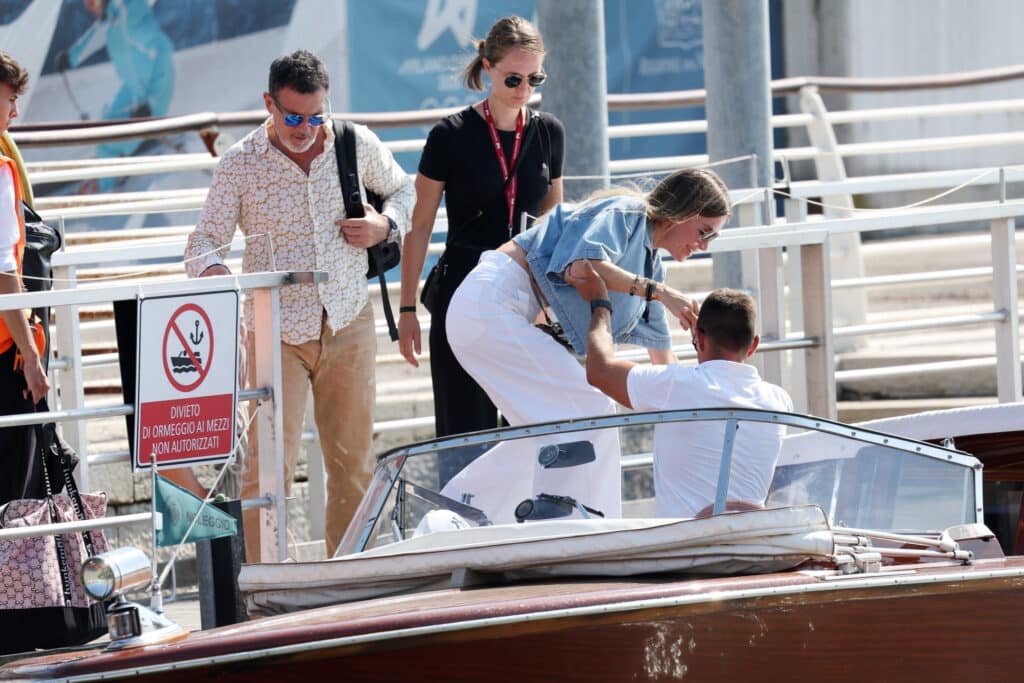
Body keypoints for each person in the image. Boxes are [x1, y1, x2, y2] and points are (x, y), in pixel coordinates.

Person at [184, 50, 414, 560]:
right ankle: (267, 585)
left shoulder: (354, 141)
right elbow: (202, 244)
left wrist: (386, 225)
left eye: (316, 116)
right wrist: (222, 277)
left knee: (353, 462)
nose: (305, 128)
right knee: (266, 467)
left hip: (349, 317)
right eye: (292, 117)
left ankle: (350, 582)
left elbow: (405, 190)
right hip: (272, 329)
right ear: (268, 103)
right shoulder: (240, 164)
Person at [444, 168, 731, 517]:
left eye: (712, 239)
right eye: (704, 232)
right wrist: (662, 294)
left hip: (499, 312)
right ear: (680, 213)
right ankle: (576, 525)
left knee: (553, 426)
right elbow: (582, 266)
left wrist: (702, 408)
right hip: (490, 302)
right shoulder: (626, 212)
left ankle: (463, 507)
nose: (703, 245)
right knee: (588, 411)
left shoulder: (652, 269)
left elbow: (663, 360)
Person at [397, 15, 565, 441]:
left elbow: (554, 225)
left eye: (535, 78)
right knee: (462, 433)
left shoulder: (549, 133)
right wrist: (407, 310)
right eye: (514, 79)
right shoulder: (449, 135)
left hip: (524, 297)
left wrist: (552, 304)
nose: (525, 90)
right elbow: (419, 228)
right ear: (487, 68)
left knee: (527, 432)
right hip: (463, 295)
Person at [566, 262, 794, 518]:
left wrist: (600, 304)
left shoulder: (675, 386)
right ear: (753, 346)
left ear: (701, 338)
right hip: (748, 542)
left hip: (686, 548)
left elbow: (599, 371)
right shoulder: (779, 401)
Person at [54, 0, 175, 191]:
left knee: (113, 134)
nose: (90, 8)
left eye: (93, 2)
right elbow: (93, 37)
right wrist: (71, 57)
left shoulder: (130, 13)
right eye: (87, 4)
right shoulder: (112, 16)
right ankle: (112, 166)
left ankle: (105, 180)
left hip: (154, 89)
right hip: (133, 89)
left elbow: (163, 53)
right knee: (108, 125)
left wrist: (152, 103)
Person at [0, 51, 50, 505]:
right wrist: (32, 358)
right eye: (10, 99)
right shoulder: (0, 170)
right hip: (3, 354)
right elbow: (4, 273)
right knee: (13, 496)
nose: (15, 111)